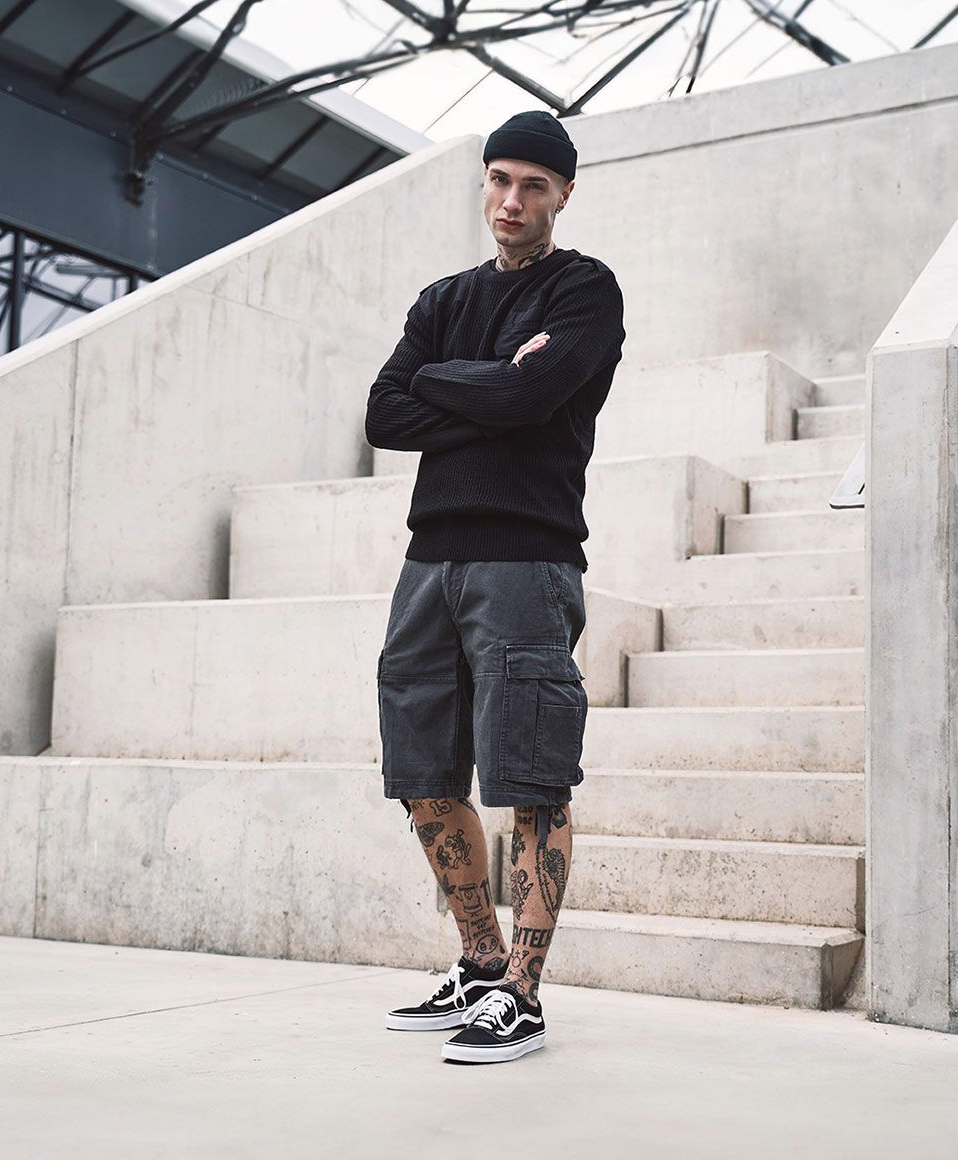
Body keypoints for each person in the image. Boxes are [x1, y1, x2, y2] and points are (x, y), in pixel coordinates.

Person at [364, 110, 625, 1064]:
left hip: (526, 557)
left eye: (533, 185)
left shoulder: (585, 289)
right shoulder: (443, 299)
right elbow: (383, 415)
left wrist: (452, 386)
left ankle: (523, 992)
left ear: (563, 194)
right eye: (500, 179)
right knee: (421, 776)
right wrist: (493, 389)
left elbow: (527, 396)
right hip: (429, 560)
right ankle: (478, 963)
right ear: (484, 182)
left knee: (533, 781)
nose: (512, 200)